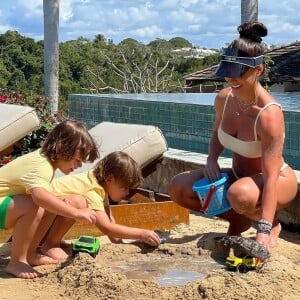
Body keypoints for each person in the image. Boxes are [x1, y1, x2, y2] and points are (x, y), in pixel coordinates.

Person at [168, 22, 298, 254]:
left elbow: (269, 177)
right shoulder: (224, 99)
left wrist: (264, 230)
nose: (231, 79)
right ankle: (237, 220)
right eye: (228, 73)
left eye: (239, 74)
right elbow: (217, 135)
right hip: (240, 177)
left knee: (240, 193)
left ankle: (272, 223)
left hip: (276, 181)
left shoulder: (269, 114)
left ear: (258, 70)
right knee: (179, 187)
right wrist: (211, 160)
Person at [0, 120, 99, 279]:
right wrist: (76, 213)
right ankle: (17, 261)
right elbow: (39, 197)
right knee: (34, 204)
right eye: (77, 160)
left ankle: (30, 254)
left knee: (51, 203)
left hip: (5, 206)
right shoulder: (42, 165)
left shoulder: (45, 162)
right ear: (62, 148)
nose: (79, 165)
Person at [40, 151, 161, 262]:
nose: (127, 193)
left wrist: (120, 244)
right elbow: (106, 228)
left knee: (76, 203)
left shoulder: (99, 184)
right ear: (109, 179)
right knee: (78, 202)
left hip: (42, 216)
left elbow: (109, 220)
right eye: (125, 188)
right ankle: (50, 244)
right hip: (38, 213)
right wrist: (141, 234)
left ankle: (46, 239)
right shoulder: (93, 190)